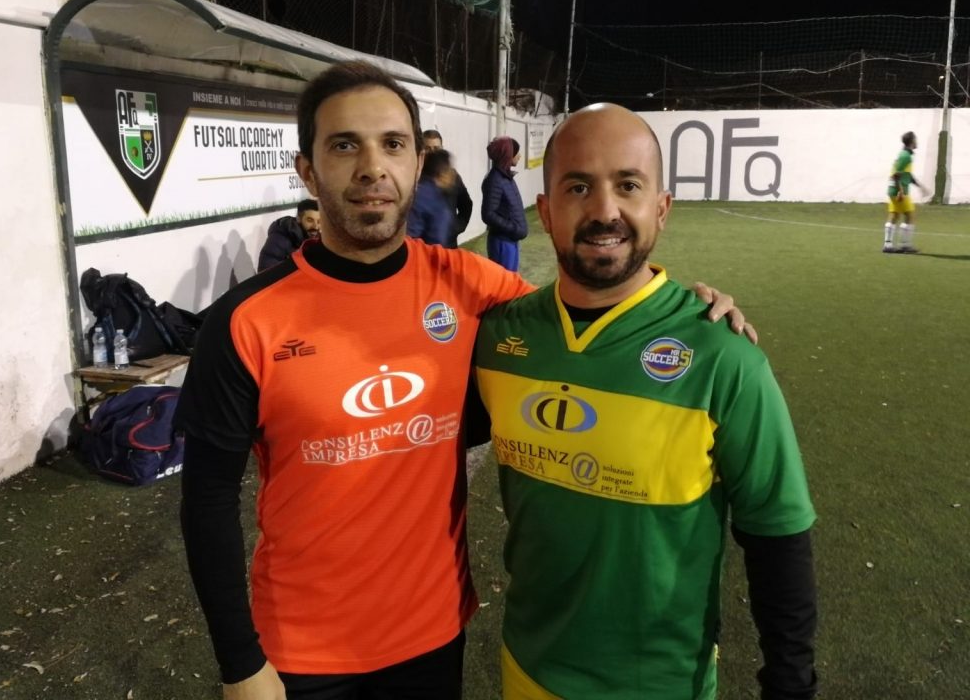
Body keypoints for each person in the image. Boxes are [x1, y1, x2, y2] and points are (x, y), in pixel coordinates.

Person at [176, 61, 752, 700]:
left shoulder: (471, 286)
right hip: (302, 653)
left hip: (433, 635)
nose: (372, 167)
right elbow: (206, 500)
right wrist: (240, 663)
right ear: (308, 171)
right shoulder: (245, 321)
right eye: (344, 146)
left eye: (392, 144)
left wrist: (688, 311)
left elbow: (589, 316)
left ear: (417, 163)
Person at [474, 103, 817, 700]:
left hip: (661, 684)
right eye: (578, 186)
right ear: (546, 212)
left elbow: (777, 535)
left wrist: (791, 686)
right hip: (527, 667)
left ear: (661, 207)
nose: (604, 210)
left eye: (628, 185)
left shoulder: (722, 355)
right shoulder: (499, 339)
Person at [481, 136, 528, 271]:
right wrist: (513, 228)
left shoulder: (506, 177)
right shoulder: (494, 180)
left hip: (511, 241)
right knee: (503, 282)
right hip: (502, 243)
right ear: (507, 155)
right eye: (516, 152)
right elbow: (488, 214)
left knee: (512, 280)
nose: (519, 156)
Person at [423, 129, 473, 247]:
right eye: (428, 148)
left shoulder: (452, 176)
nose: (432, 153)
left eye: (436, 148)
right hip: (423, 247)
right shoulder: (414, 176)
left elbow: (466, 204)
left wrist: (456, 227)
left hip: (449, 246)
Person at [883, 131, 930, 254]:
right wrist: (900, 191)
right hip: (899, 191)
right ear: (911, 141)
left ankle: (888, 245)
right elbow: (896, 175)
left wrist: (920, 187)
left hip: (894, 189)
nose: (917, 142)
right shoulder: (905, 156)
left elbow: (907, 175)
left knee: (894, 215)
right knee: (909, 215)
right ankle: (905, 245)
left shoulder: (905, 154)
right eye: (915, 139)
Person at [408, 149, 458, 247]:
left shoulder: (419, 190)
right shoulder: (431, 199)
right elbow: (436, 238)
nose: (453, 175)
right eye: (450, 170)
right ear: (443, 173)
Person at [256, 198, 321, 271]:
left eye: (319, 221)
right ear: (299, 219)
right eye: (310, 220)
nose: (316, 226)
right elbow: (266, 272)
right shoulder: (279, 238)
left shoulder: (320, 239)